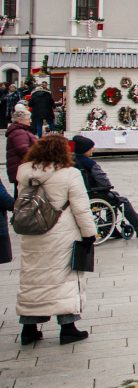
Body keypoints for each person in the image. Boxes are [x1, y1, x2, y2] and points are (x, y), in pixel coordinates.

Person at [14, 135, 97, 346]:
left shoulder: (24, 172)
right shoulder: (69, 174)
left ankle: (29, 328)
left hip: (33, 234)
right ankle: (68, 327)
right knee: (65, 279)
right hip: (62, 234)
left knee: (33, 279)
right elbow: (81, 208)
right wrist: (89, 234)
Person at [73, 135, 138, 238]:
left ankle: (111, 228)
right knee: (121, 200)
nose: (93, 149)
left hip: (82, 193)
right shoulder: (90, 163)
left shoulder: (73, 161)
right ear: (85, 149)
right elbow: (103, 180)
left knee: (114, 196)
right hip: (93, 193)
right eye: (91, 147)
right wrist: (107, 187)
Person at [7, 106, 37, 185]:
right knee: (22, 193)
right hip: (22, 168)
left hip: (19, 168)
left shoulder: (20, 131)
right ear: (21, 120)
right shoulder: (19, 132)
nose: (30, 121)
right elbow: (23, 149)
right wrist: (38, 157)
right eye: (28, 119)